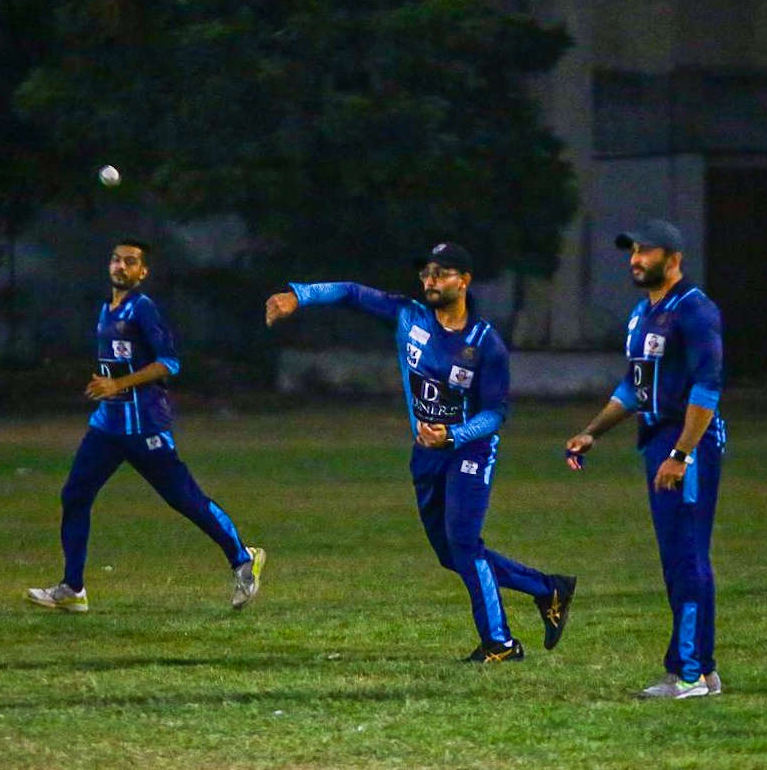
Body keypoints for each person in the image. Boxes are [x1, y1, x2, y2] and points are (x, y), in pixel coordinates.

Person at [265, 242, 576, 663]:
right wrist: (298, 296)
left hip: (470, 452)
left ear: (464, 282)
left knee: (463, 542)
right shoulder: (409, 317)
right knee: (451, 554)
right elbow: (351, 292)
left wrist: (452, 435)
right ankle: (548, 589)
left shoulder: (486, 344)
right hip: (427, 453)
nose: (430, 280)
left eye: (441, 273)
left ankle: (500, 644)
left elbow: (495, 415)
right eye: (426, 273)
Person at [26, 240, 265, 612]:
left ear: (143, 271)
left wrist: (117, 384)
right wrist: (109, 387)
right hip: (107, 427)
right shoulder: (105, 309)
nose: (121, 266)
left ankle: (243, 558)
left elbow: (170, 363)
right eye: (116, 259)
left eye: (130, 261)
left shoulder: (143, 308)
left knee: (185, 499)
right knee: (75, 496)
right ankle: (73, 589)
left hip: (145, 427)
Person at [565, 220, 725, 698]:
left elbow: (707, 388)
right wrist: (592, 431)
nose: (635, 260)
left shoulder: (695, 311)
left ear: (673, 259)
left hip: (686, 442)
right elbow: (634, 387)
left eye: (645, 251)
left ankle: (690, 674)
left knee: (685, 556)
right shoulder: (642, 313)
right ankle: (703, 670)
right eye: (632, 251)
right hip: (658, 440)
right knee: (682, 555)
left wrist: (681, 453)